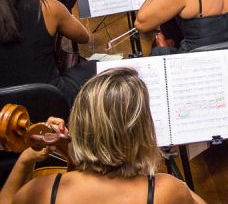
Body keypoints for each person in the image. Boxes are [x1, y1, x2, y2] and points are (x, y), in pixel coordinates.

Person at [0, 67, 207, 204]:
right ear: (139, 134)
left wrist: (26, 159)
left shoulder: (43, 191)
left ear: (80, 123)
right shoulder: (166, 191)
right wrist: (181, 186)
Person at [0, 0, 95, 107]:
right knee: (96, 68)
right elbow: (84, 37)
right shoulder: (48, 9)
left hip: (4, 111)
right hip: (50, 100)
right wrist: (64, 14)